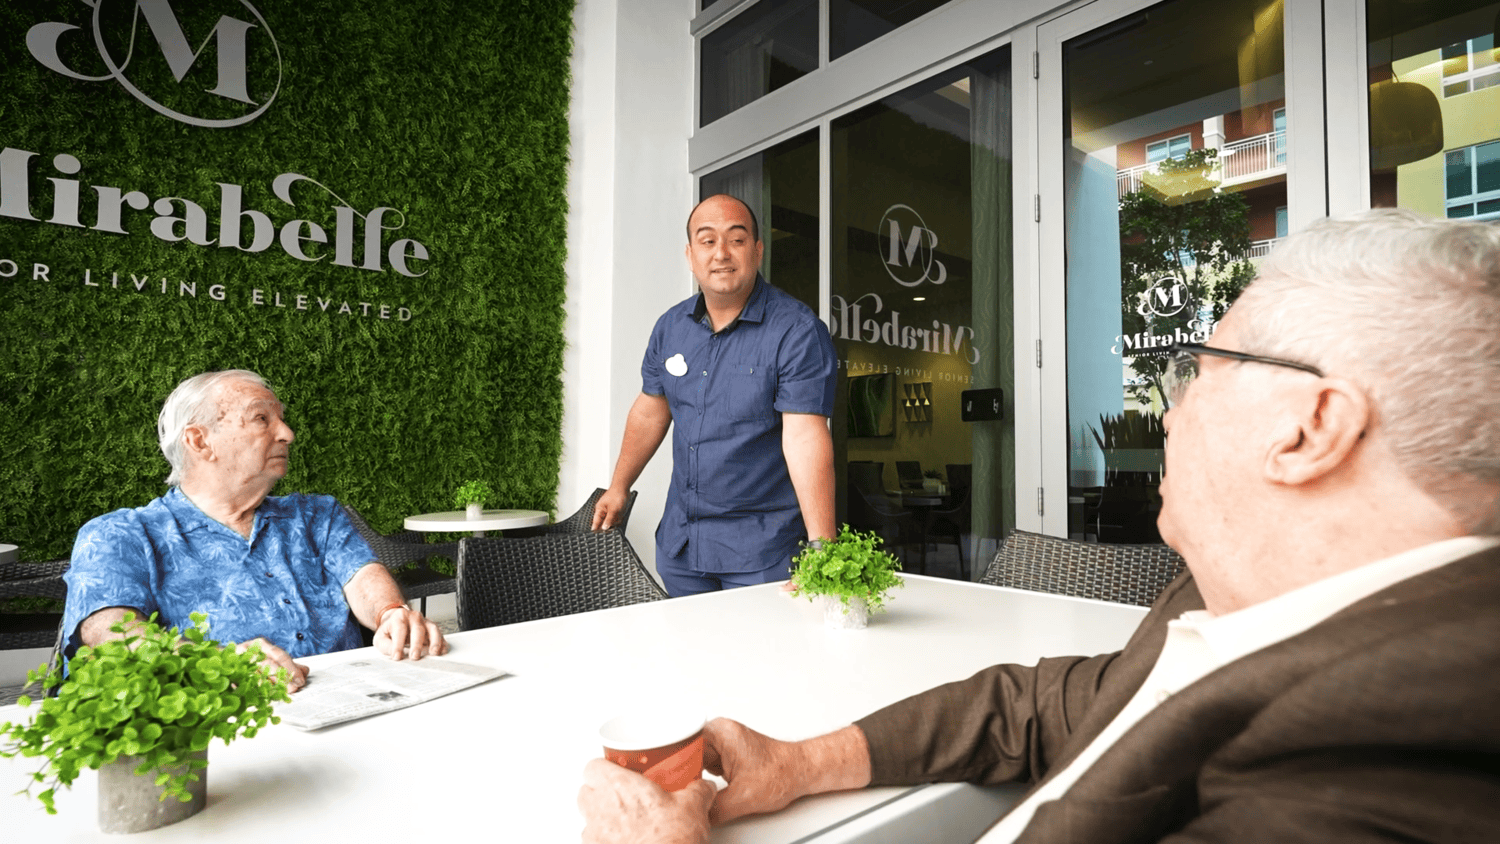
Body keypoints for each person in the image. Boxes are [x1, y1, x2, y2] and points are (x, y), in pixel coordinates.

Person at [578, 208, 1500, 842]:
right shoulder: (1235, 601)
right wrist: (797, 762)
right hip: (688, 536)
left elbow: (803, 434)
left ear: (1312, 428)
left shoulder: (1388, 771)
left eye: (1199, 369)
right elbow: (1043, 705)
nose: (1170, 410)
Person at [62, 369, 448, 693]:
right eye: (262, 419)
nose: (287, 433)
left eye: (280, 418)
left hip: (354, 698)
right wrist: (211, 663)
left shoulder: (317, 514)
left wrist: (391, 613)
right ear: (200, 441)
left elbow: (362, 575)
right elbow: (110, 633)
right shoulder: (120, 535)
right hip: (225, 723)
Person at [591, 194, 838, 596]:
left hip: (762, 552)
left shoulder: (797, 331)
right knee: (688, 639)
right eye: (707, 241)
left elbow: (805, 437)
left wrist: (822, 548)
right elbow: (650, 412)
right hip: (682, 546)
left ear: (757, 251)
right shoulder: (671, 327)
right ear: (690, 255)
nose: (721, 253)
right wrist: (619, 486)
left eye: (736, 240)